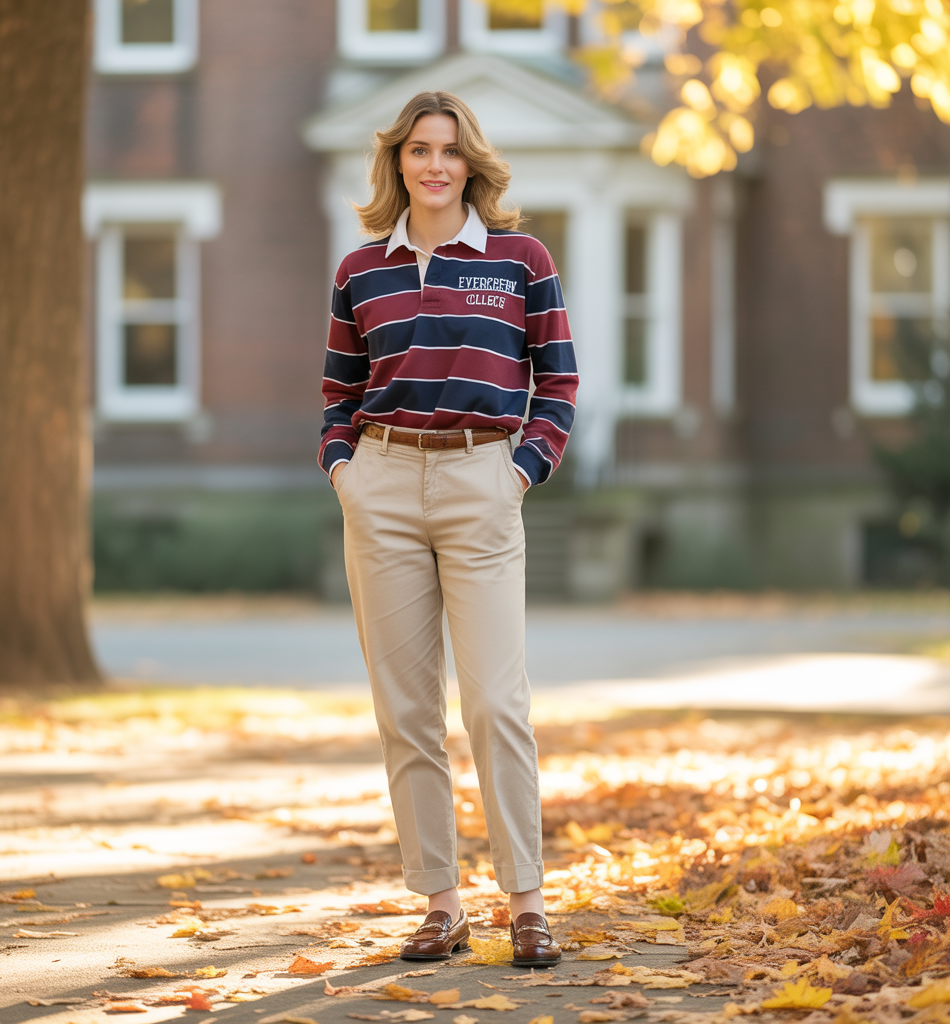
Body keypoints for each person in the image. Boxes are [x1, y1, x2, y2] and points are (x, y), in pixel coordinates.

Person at [318, 91, 578, 966]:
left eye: (450, 150)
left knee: (498, 702)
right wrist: (346, 474)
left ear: (472, 163)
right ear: (398, 162)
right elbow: (338, 393)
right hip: (381, 485)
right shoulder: (361, 269)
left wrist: (519, 470)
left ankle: (528, 904)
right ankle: (441, 903)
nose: (435, 165)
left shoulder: (519, 259)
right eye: (419, 150)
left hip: (482, 479)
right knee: (408, 713)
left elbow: (560, 382)